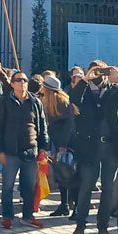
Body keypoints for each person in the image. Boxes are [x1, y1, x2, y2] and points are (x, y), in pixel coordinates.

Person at [69, 61, 118, 234]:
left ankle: (103, 226)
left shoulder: (114, 90)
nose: (99, 74)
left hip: (111, 147)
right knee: (86, 186)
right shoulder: (83, 90)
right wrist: (85, 79)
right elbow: (73, 99)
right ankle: (80, 225)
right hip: (90, 146)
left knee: (109, 188)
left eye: (102, 71)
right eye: (96, 71)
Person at [0, 70, 47, 229]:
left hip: (30, 151)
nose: (22, 82)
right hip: (10, 151)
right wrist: (0, 151)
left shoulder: (35, 102)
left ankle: (28, 216)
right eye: (18, 80)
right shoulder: (5, 101)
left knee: (29, 186)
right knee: (7, 186)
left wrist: (43, 148)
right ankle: (7, 216)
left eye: (24, 80)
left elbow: (42, 126)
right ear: (12, 84)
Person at [39, 75, 75, 217]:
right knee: (61, 175)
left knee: (67, 173)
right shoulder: (49, 102)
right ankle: (64, 204)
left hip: (65, 144)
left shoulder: (62, 103)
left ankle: (69, 205)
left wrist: (63, 146)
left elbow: (69, 126)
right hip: (56, 142)